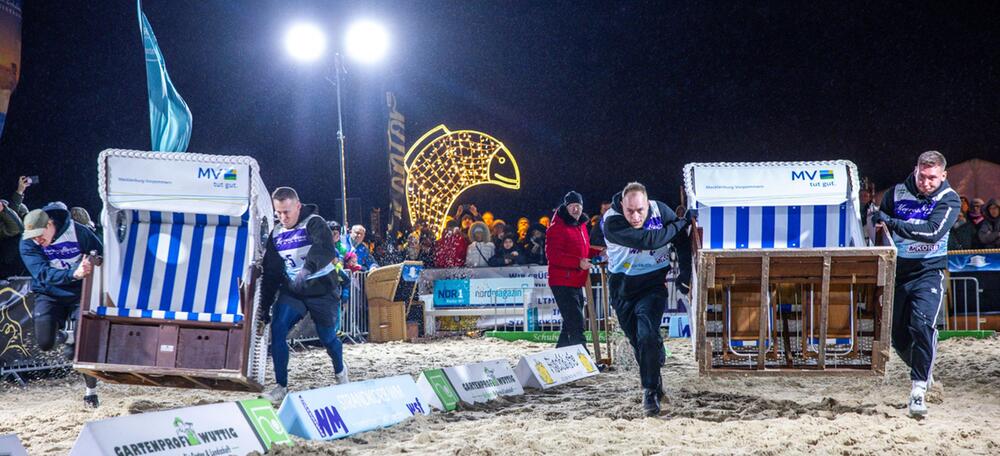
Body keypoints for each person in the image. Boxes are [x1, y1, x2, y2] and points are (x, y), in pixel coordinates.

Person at [870, 151, 960, 418]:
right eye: (922, 176)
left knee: (922, 325)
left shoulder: (949, 199)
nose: (927, 183)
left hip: (929, 271)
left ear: (943, 176)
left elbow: (933, 232)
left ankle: (918, 390)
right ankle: (925, 369)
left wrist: (892, 222)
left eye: (933, 178)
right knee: (897, 335)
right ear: (915, 170)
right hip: (897, 272)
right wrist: (878, 222)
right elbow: (879, 225)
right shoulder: (896, 193)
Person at [595, 182, 692, 416]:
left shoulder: (660, 210)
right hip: (623, 289)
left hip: (652, 285)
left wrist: (685, 273)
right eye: (630, 211)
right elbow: (647, 241)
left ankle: (649, 390)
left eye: (640, 210)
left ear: (647, 204)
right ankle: (655, 371)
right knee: (639, 342)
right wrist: (680, 223)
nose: (635, 216)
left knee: (647, 333)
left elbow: (681, 241)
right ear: (622, 205)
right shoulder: (612, 221)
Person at [260, 187, 347, 402]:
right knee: (278, 329)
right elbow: (270, 272)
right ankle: (281, 385)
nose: (283, 217)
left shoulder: (315, 222)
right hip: (294, 291)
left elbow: (325, 249)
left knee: (327, 338)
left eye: (287, 212)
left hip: (322, 291)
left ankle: (340, 370)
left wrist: (307, 269)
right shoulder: (277, 234)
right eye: (278, 213)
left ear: (298, 206)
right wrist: (264, 306)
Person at [19, 202, 103, 407]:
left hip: (79, 294)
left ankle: (90, 393)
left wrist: (95, 263)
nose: (38, 241)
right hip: (49, 293)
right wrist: (73, 273)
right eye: (33, 238)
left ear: (50, 224)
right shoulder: (27, 244)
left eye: (40, 235)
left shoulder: (79, 232)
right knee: (45, 342)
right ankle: (67, 336)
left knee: (82, 348)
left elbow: (101, 254)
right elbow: (43, 274)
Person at [545, 191, 600, 348]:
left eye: (578, 206)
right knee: (576, 323)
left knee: (569, 324)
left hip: (576, 280)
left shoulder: (581, 225)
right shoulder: (556, 228)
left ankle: (558, 356)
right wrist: (578, 263)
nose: (576, 209)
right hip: (562, 281)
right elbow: (553, 255)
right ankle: (585, 361)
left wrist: (598, 253)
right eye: (572, 206)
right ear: (566, 207)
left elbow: (584, 250)